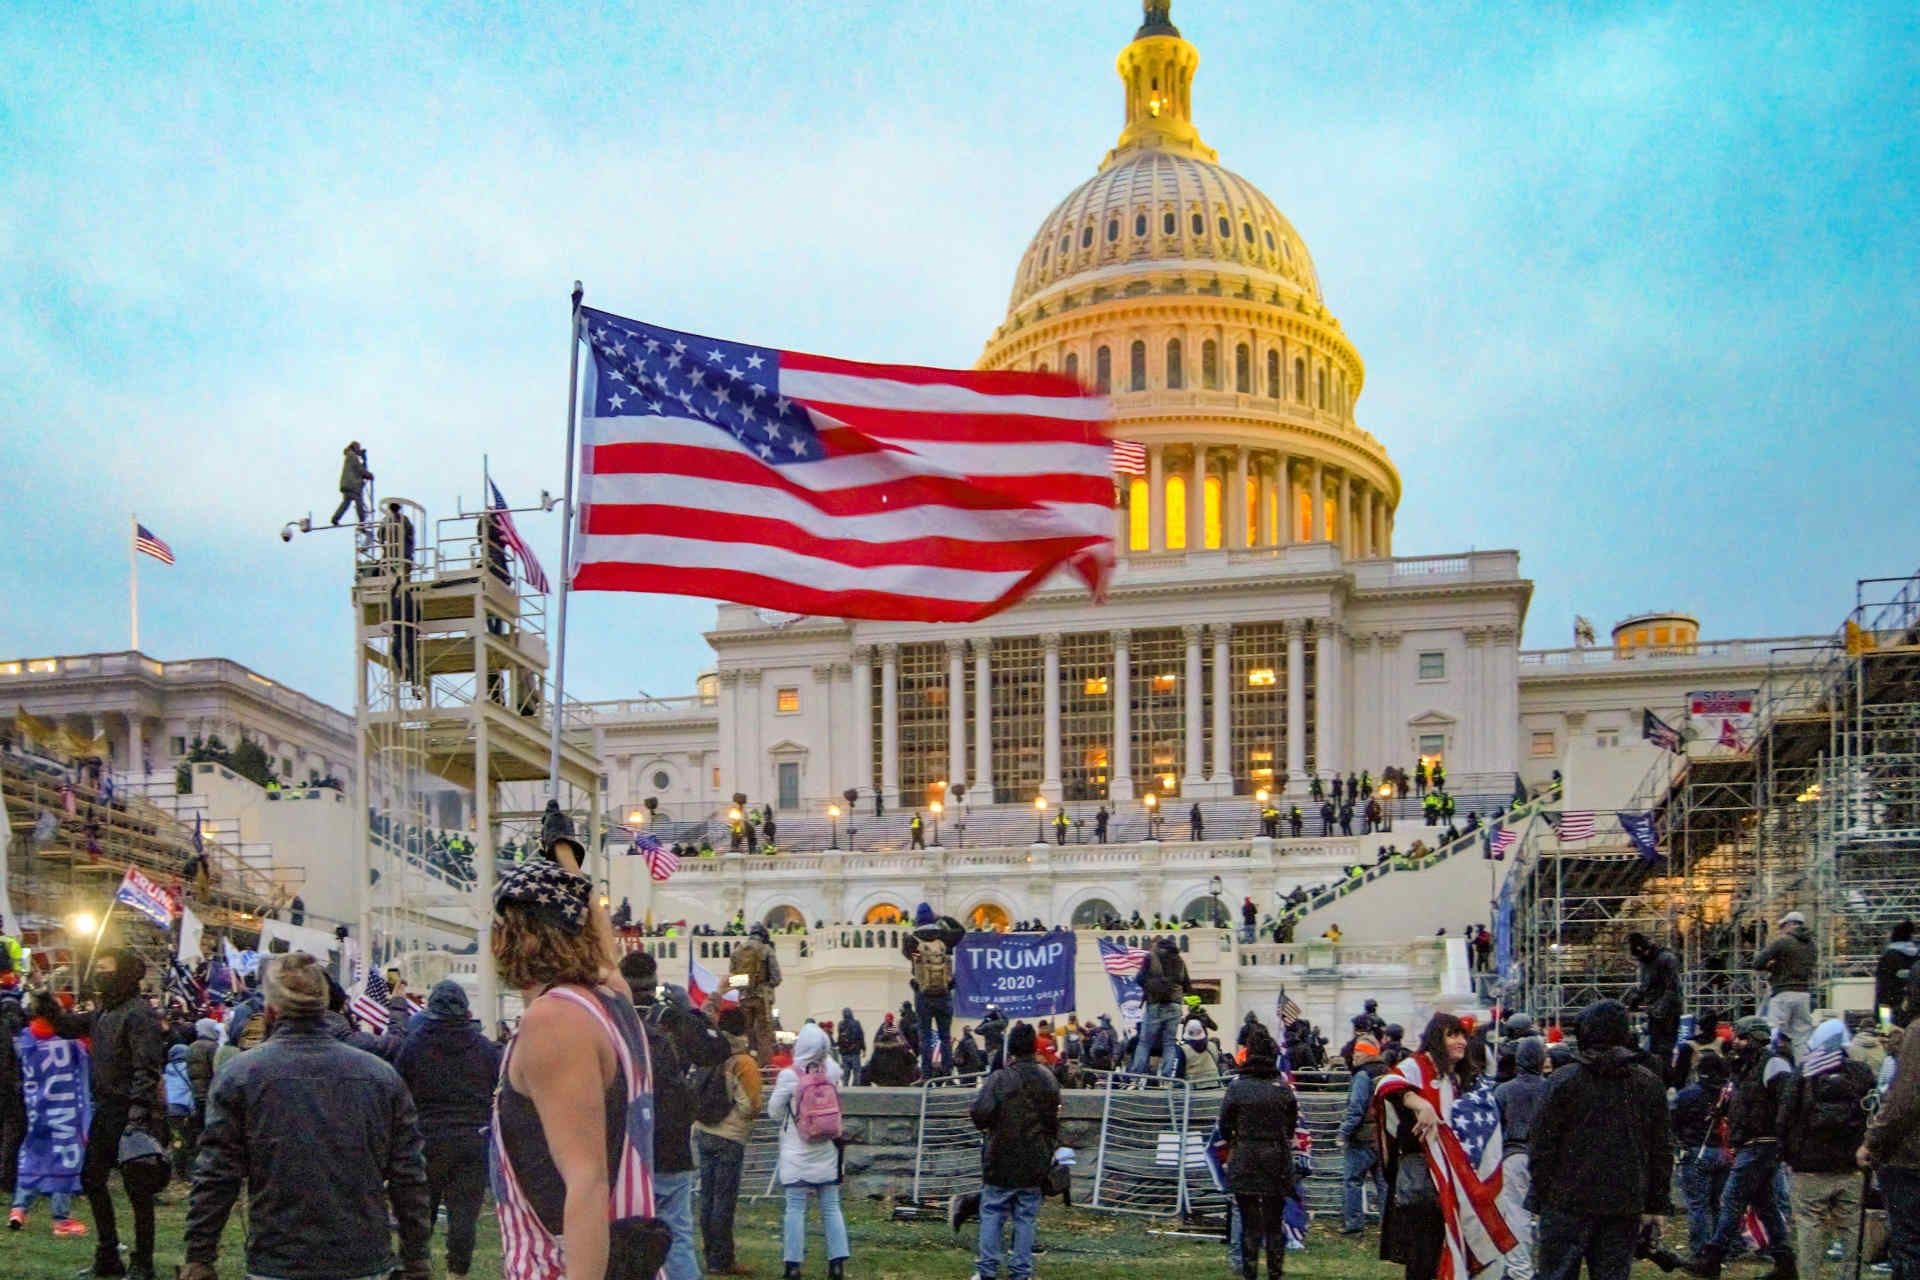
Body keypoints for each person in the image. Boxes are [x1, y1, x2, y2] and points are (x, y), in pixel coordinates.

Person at [180, 952, 430, 1280]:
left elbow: (217, 1175)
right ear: (325, 1004)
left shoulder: (240, 1075)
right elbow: (408, 1176)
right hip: (361, 1255)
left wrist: (200, 1256)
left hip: (279, 1256)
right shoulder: (380, 1077)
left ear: (270, 1010)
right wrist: (416, 1260)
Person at [487, 857, 667, 1280]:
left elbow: (586, 1183)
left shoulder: (555, 1020)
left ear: (519, 934)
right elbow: (605, 956)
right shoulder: (614, 1001)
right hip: (629, 1256)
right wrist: (569, 863)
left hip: (565, 1265)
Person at [1526, 1000, 1671, 1280]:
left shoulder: (1563, 1082)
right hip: (1622, 1202)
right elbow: (1661, 1150)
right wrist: (1655, 1204)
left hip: (1567, 1202)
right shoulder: (1648, 1084)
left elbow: (1541, 1146)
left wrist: (1543, 1196)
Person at [1375, 1012, 1516, 1280]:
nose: (1461, 1041)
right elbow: (1388, 1084)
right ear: (1436, 1039)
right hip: (1426, 1183)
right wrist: (1419, 1103)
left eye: (1463, 1035)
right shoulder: (1416, 1066)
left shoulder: (1459, 1079)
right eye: (1452, 1035)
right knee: (1425, 1254)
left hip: (1457, 1180)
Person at [394, 979, 501, 1280]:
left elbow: (399, 1089)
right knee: (463, 1214)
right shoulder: (483, 1048)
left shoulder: (414, 1044)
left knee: (420, 1213)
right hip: (472, 1139)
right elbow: (496, 1086)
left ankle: (416, 1268)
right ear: (466, 1011)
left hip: (426, 1138)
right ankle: (458, 1272)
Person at [1685, 1016, 1795, 1279]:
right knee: (1764, 1203)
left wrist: (1780, 1138)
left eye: (1743, 1038)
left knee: (1732, 1198)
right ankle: (1785, 1263)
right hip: (1751, 1143)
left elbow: (1787, 1103)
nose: (1737, 1043)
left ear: (1756, 1039)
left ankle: (1712, 1258)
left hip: (1762, 1144)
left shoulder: (1773, 1063)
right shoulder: (1744, 1069)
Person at [80, 948, 165, 1280]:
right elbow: (68, 1025)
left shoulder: (138, 1014)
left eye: (105, 969)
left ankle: (143, 1263)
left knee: (138, 1189)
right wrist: (44, 999)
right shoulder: (104, 1011)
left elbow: (147, 1066)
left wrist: (139, 1112)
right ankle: (108, 1254)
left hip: (131, 1111)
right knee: (91, 1178)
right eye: (97, 968)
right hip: (107, 1109)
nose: (99, 974)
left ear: (124, 973)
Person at [617, 951, 700, 1280]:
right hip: (674, 1150)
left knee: (632, 1238)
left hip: (633, 1153)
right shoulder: (669, 1032)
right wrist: (690, 1012)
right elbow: (713, 1050)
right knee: (678, 1235)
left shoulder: (616, 1032)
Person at [1777, 1018, 1873, 1280]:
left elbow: (1785, 1116)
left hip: (1808, 1167)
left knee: (1809, 1230)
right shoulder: (1861, 1073)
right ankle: (1849, 1275)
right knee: (1852, 1231)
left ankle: (1809, 1275)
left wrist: (1786, 1155)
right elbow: (1872, 1114)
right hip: (1850, 1166)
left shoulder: (1804, 1073)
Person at [969, 1022, 1061, 1280]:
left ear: (1011, 1049)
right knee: (1026, 1217)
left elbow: (980, 1114)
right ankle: (1021, 1271)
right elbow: (1054, 1122)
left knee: (992, 1214)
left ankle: (987, 1269)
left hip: (1001, 1156)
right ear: (1034, 1047)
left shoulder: (999, 1079)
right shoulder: (1048, 1078)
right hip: (1035, 1159)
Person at [769, 1023, 849, 1280]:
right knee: (831, 1206)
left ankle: (793, 1265)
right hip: (826, 1149)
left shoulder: (789, 1076)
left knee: (795, 1208)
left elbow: (774, 1111)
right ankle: (837, 1263)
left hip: (797, 1150)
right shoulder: (832, 1071)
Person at [9, 989, 89, 1236]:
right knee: (65, 1158)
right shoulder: (69, 1040)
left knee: (33, 1154)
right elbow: (86, 1070)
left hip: (36, 1108)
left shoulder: (25, 1038)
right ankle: (61, 1219)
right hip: (65, 1109)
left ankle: (19, 1209)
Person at [1222, 1026, 1299, 1280]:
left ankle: (1249, 1273)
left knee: (1249, 1224)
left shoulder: (1237, 1087)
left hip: (1245, 1154)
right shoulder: (1283, 1088)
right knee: (1274, 1224)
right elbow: (1291, 1125)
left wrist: (1236, 1139)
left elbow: (1224, 1124)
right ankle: (1275, 1274)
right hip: (1276, 1156)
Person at [694, 1005, 762, 1276]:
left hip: (703, 1130)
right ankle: (723, 1260)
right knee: (724, 1199)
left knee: (707, 1197)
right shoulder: (743, 1061)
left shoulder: (708, 1053)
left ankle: (710, 1255)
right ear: (744, 1029)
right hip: (730, 1135)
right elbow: (751, 1105)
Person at [1862, 1003, 1920, 1280]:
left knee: (1908, 1245)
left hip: (1909, 1156)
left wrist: (1873, 1141)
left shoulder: (1918, 1031)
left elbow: (1903, 1102)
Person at [1494, 1037, 1550, 1280]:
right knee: (1548, 1216)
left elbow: (1495, 1128)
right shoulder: (1552, 1088)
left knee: (1516, 1215)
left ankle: (1520, 1270)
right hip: (1547, 1157)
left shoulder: (1504, 1090)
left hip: (1514, 1155)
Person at [1673, 1054, 1734, 1258]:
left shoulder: (1686, 1095)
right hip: (1723, 1153)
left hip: (1696, 1151)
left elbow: (1674, 1121)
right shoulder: (1729, 1096)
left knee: (1698, 1204)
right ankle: (1721, 1247)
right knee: (1719, 1203)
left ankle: (1700, 1249)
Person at [1337, 1034, 1388, 1234]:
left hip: (1362, 1136)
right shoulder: (1386, 1072)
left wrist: (1343, 1133)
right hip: (1382, 1136)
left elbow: (1356, 1107)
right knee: (1383, 1184)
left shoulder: (1362, 1075)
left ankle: (1354, 1224)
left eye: (1357, 1052)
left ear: (1365, 1054)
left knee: (1353, 1181)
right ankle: (1388, 1226)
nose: (1353, 1056)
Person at [903, 905, 957, 1078]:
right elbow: (960, 931)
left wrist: (918, 956)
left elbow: (910, 957)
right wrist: (943, 917)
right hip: (944, 993)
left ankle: (926, 1075)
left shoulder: (913, 940)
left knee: (925, 1037)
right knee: (945, 1037)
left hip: (923, 995)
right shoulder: (944, 938)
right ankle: (947, 1073)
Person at [1754, 912, 1817, 1059]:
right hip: (1803, 994)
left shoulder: (1783, 942)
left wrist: (1771, 967)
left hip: (1783, 992)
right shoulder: (1812, 946)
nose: (1781, 929)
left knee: (1773, 1032)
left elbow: (1757, 963)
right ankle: (1802, 1072)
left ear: (1789, 925)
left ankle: (1770, 1065)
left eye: (1782, 926)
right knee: (1801, 1037)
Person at [1129, 936, 1190, 1078]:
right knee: (1169, 1043)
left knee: (1144, 1042)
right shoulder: (1179, 960)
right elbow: (1186, 984)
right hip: (1174, 1005)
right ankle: (1167, 1077)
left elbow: (1139, 979)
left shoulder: (1151, 957)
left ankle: (1136, 1075)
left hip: (1155, 1004)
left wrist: (1152, 987)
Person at [1626, 932, 1684, 1076]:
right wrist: (1636, 997)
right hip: (1654, 1011)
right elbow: (1646, 985)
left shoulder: (1666, 959)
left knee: (1664, 1050)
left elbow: (1673, 989)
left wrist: (1659, 1008)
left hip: (1668, 1012)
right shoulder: (1646, 962)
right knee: (1654, 1048)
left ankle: (1664, 1078)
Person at [731, 922, 782, 1065]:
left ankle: (748, 1065)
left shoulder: (737, 950)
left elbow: (733, 978)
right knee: (764, 1034)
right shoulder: (766, 950)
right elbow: (776, 978)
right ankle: (764, 1071)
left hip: (743, 997)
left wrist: (745, 986)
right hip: (762, 998)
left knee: (746, 1034)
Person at [1876, 921, 1919, 1028]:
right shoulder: (1917, 957)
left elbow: (1882, 994)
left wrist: (1884, 1026)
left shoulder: (1888, 957)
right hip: (1914, 1013)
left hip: (1893, 1012)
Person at [329, 440, 373, 525]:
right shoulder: (352, 456)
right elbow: (360, 470)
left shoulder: (350, 456)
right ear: (355, 447)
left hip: (348, 484)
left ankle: (335, 518)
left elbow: (360, 469)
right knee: (359, 502)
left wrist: (364, 460)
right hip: (353, 485)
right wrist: (369, 474)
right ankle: (362, 522)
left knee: (346, 503)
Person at [865, 1016, 918, 1086]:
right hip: (899, 1083)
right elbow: (913, 1061)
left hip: (882, 1083)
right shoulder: (900, 1049)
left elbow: (870, 1069)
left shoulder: (877, 1051)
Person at [835, 1007, 867, 1087]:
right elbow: (861, 1036)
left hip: (844, 1053)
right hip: (855, 1052)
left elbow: (839, 1038)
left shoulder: (840, 1024)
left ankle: (845, 1089)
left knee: (846, 1072)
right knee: (856, 1072)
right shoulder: (856, 1023)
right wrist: (864, 1049)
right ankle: (855, 1089)